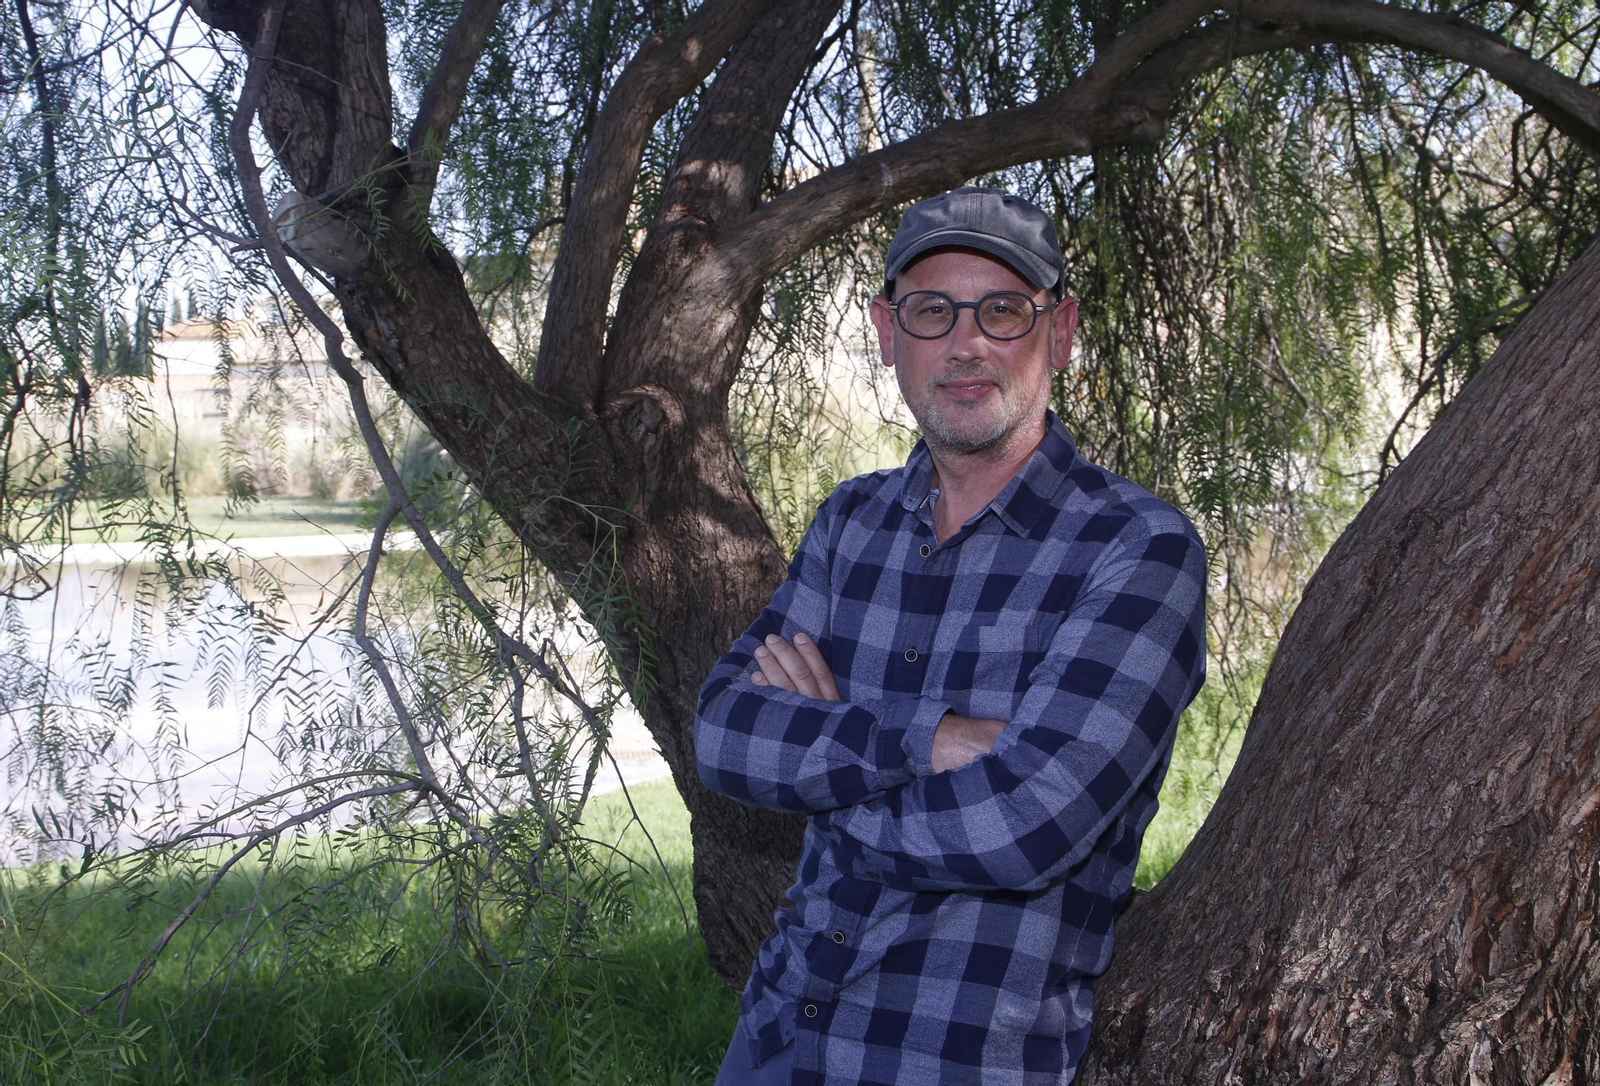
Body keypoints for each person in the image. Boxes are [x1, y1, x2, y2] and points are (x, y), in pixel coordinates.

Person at [695, 186, 1207, 1085]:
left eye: (1003, 310)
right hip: (774, 1035)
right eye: (933, 311)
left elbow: (1024, 825)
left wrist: (823, 761)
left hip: (950, 1059)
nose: (966, 343)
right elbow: (724, 731)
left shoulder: (1135, 549)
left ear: (1061, 330)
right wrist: (926, 741)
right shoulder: (853, 521)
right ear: (890, 334)